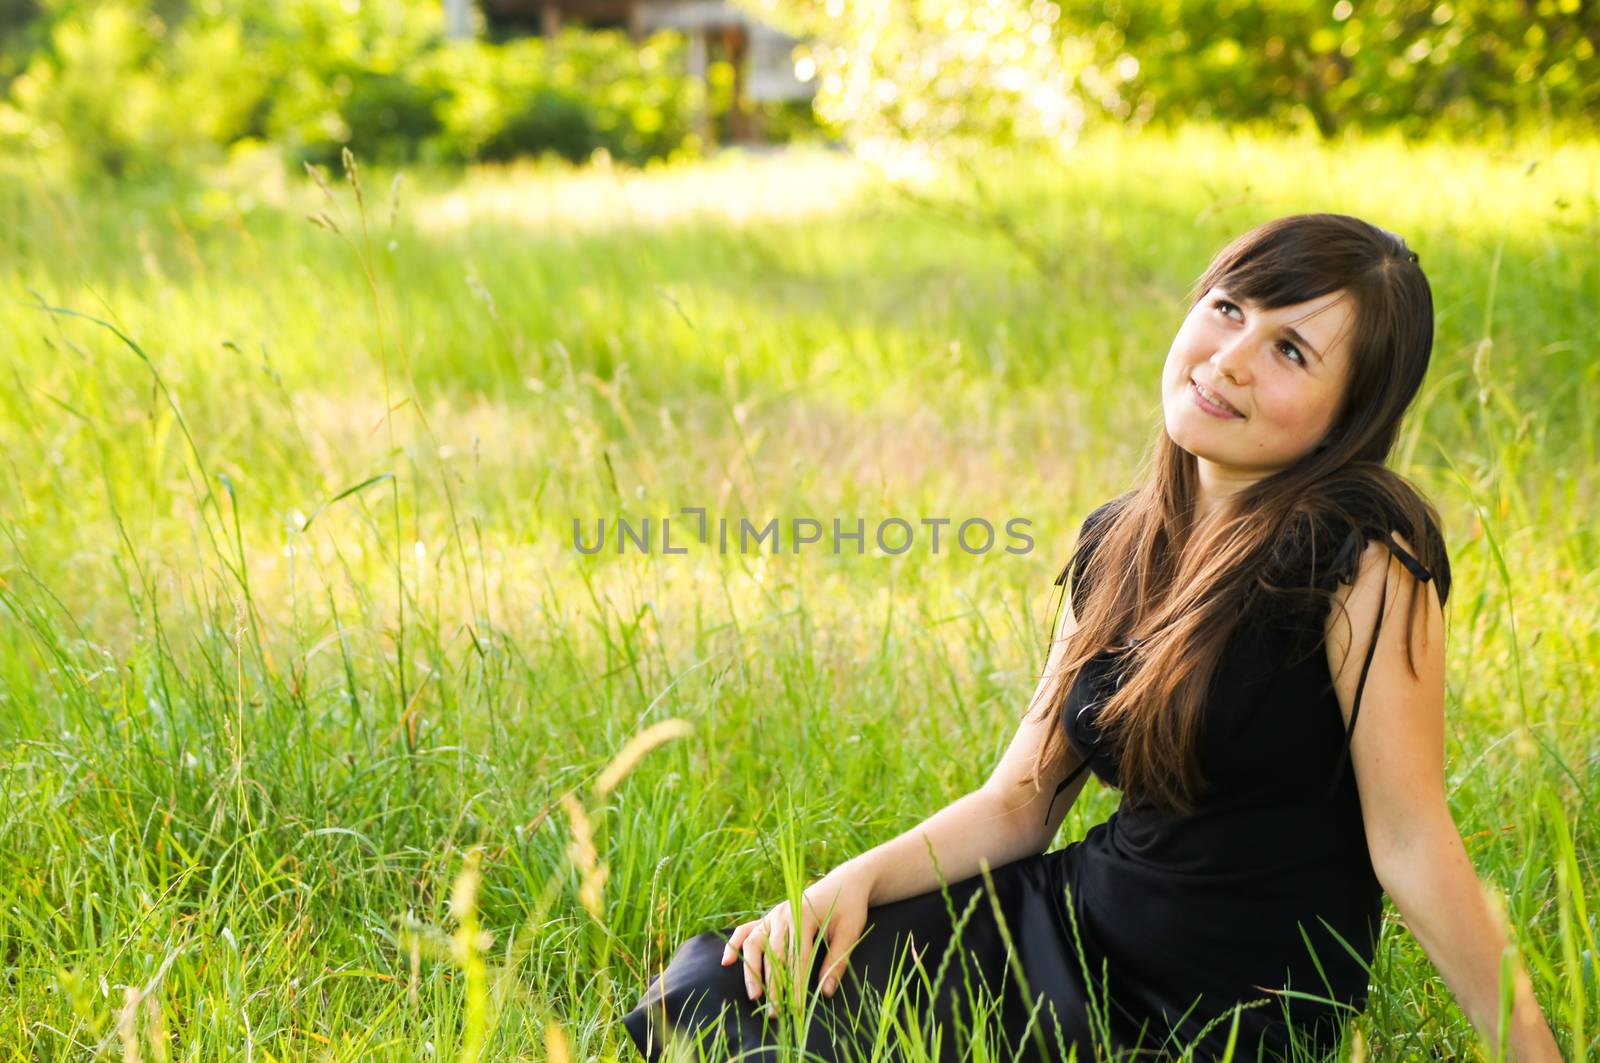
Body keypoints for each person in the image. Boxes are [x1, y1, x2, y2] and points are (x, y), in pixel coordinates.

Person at [618, 213, 1564, 1061]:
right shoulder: (1121, 537)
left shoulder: (1363, 550)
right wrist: (848, 880)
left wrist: (1535, 1055)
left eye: (1292, 352)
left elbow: (1409, 839)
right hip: (1075, 923)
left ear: (1348, 414)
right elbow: (1023, 801)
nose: (1231, 357)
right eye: (1230, 309)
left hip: (1226, 1002)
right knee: (721, 997)